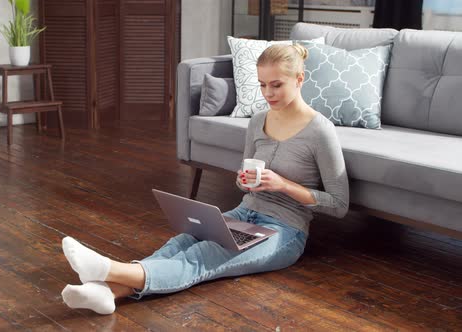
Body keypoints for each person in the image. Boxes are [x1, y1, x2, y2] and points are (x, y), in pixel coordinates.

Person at [60, 43, 349, 315]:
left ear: (299, 79)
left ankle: (107, 269)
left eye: (276, 85)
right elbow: (242, 180)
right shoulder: (259, 120)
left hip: (285, 230)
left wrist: (284, 185)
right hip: (246, 211)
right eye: (262, 85)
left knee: (205, 254)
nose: (268, 93)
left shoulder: (319, 130)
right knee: (184, 241)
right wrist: (243, 180)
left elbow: (339, 205)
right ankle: (109, 294)